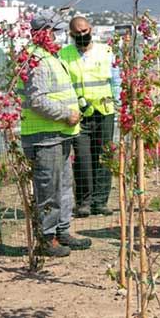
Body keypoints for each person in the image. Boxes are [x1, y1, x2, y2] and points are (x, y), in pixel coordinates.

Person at [19, 15, 92, 257]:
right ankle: (46, 237)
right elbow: (37, 100)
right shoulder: (36, 59)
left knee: (63, 185)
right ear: (42, 33)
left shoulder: (50, 56)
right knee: (48, 188)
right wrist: (65, 114)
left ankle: (62, 230)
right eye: (52, 32)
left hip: (58, 134)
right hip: (43, 135)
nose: (55, 37)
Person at [59, 15, 120, 218]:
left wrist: (118, 103)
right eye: (77, 33)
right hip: (79, 116)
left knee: (104, 157)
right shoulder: (64, 55)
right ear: (71, 34)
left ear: (91, 29)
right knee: (83, 159)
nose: (82, 35)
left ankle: (100, 201)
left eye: (85, 31)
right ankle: (84, 202)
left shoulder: (106, 51)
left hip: (104, 112)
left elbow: (116, 80)